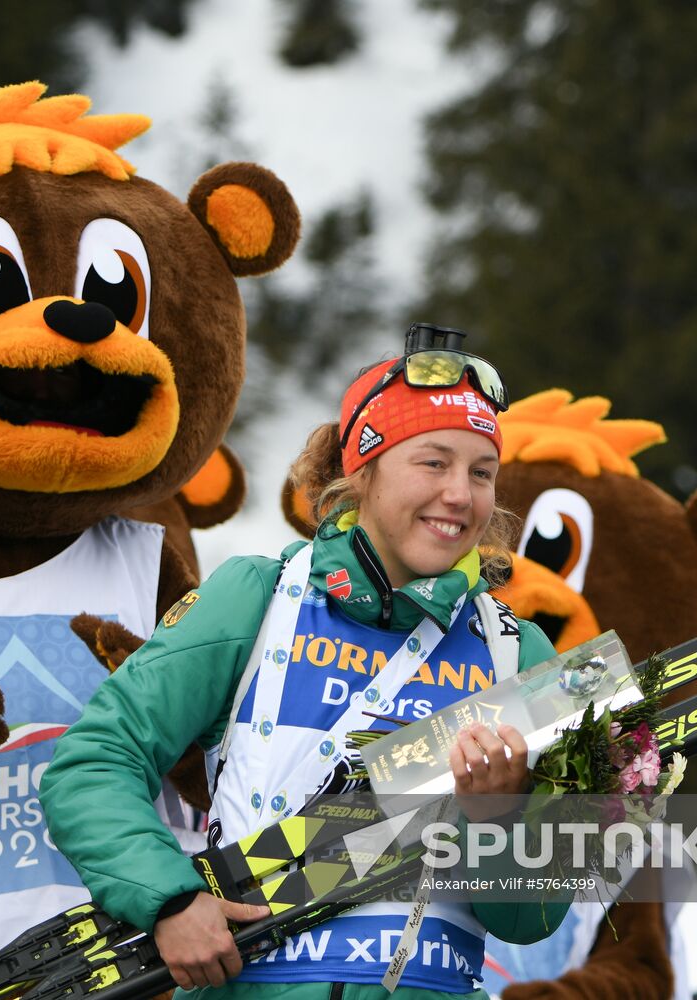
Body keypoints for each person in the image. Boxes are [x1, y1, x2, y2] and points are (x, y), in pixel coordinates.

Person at [41, 323, 568, 998]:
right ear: (364, 470)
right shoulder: (256, 599)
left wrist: (497, 818)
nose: (461, 495)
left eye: (482, 472)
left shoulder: (516, 650)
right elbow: (93, 761)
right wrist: (169, 899)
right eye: (433, 463)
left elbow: (533, 919)